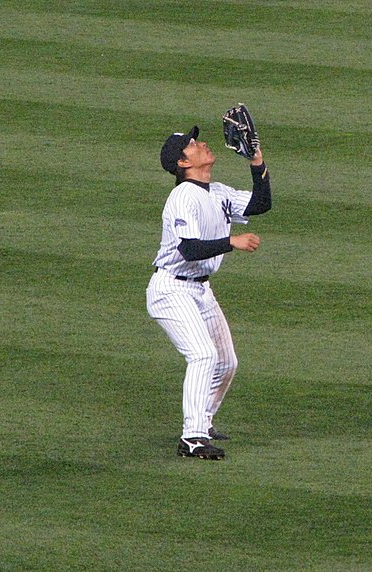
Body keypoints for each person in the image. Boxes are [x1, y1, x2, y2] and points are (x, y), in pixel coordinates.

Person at [146, 125, 271, 460]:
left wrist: (255, 161)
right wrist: (232, 241)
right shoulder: (183, 197)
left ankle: (204, 420)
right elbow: (189, 248)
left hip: (200, 290)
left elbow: (261, 203)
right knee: (203, 355)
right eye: (193, 144)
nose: (202, 143)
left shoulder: (215, 191)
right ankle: (192, 438)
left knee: (226, 362)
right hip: (171, 289)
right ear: (184, 163)